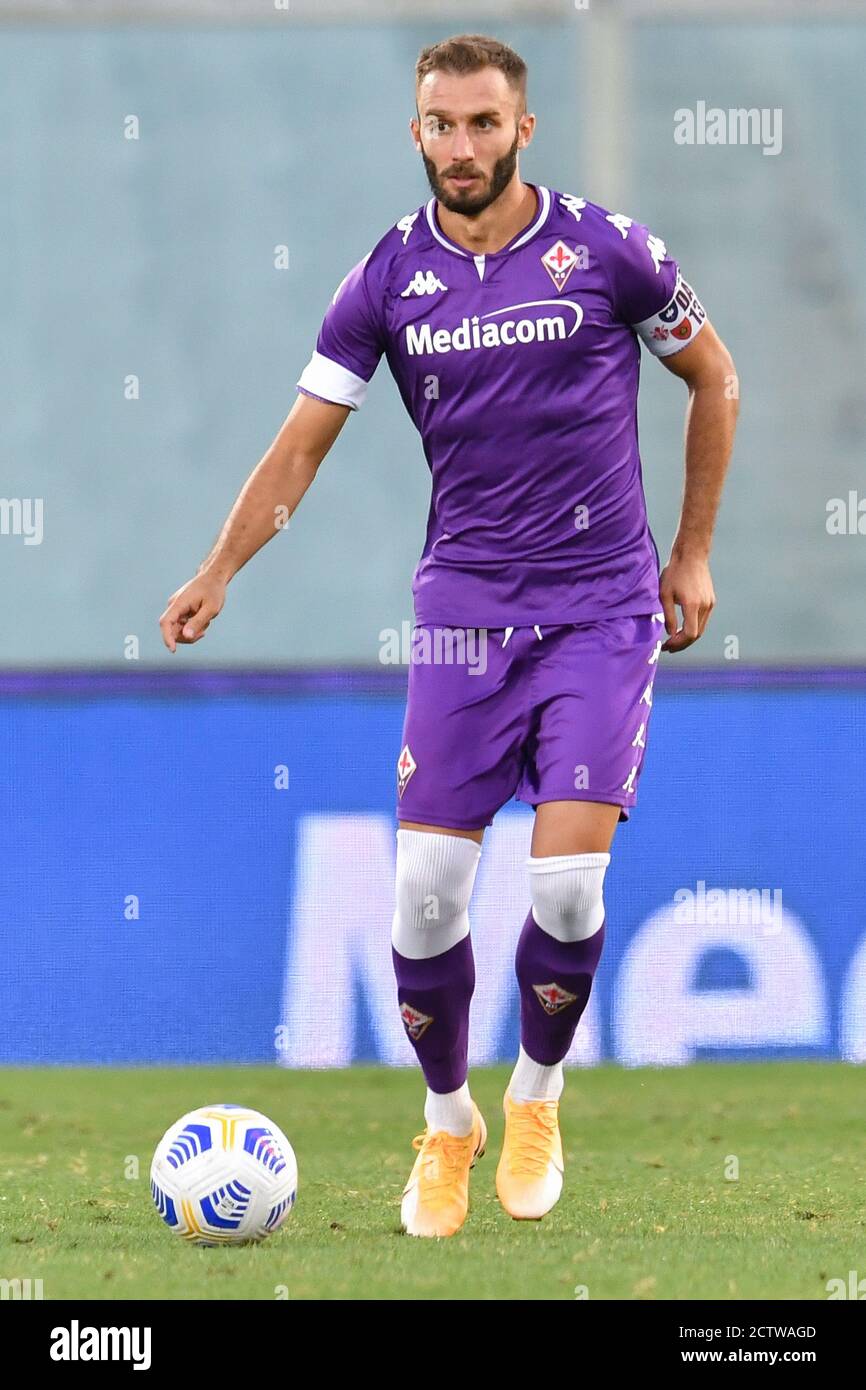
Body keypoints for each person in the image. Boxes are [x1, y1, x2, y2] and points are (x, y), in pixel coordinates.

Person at [159, 33, 738, 1239]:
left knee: (568, 890)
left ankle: (534, 1094)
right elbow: (303, 442)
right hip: (463, 614)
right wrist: (221, 567)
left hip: (597, 607)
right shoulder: (385, 278)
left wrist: (687, 554)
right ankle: (447, 1120)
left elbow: (715, 380)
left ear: (522, 129)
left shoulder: (606, 252)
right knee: (425, 893)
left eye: (482, 123)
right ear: (414, 131)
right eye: (440, 124)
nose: (461, 146)